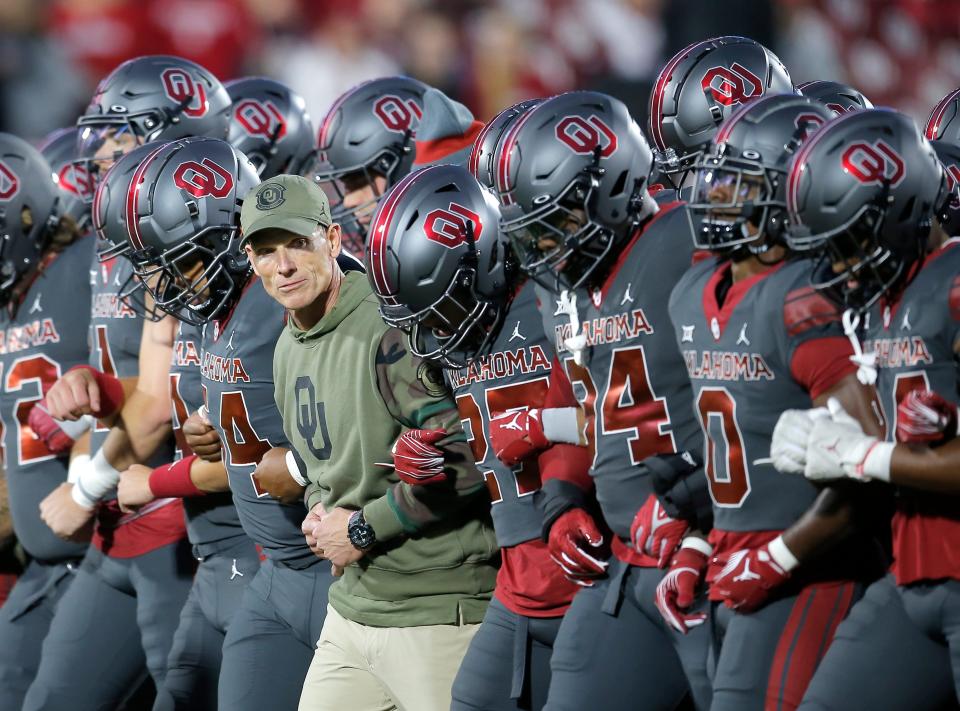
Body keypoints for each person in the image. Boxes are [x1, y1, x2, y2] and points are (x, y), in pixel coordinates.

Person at [489, 90, 714, 710]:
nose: (544, 245)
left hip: (713, 548)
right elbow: (578, 392)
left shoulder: (686, 238)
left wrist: (704, 503)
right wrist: (562, 500)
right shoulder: (561, 280)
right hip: (623, 558)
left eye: (557, 220)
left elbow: (754, 384)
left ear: (611, 187)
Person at [240, 173, 497, 710]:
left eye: (297, 245)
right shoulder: (288, 343)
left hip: (435, 607)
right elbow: (318, 463)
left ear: (333, 241)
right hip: (353, 606)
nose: (282, 266)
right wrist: (318, 511)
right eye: (266, 252)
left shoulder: (388, 326)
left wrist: (360, 526)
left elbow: (466, 459)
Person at [667, 98, 892, 710]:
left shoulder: (805, 298)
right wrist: (699, 542)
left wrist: (780, 555)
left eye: (737, 182)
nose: (715, 196)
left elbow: (868, 462)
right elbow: (731, 447)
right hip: (733, 561)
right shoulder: (694, 293)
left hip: (812, 564)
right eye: (717, 178)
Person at [124, 136, 360, 710]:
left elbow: (375, 407)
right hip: (278, 570)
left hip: (343, 566)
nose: (166, 281)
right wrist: (219, 427)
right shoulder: (218, 304)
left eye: (178, 259)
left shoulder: (306, 290)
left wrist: (300, 463)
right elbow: (261, 398)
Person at [366, 162, 587, 710]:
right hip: (517, 579)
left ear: (482, 262)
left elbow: (620, 415)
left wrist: (537, 426)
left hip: (585, 558)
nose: (433, 331)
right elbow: (474, 441)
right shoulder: (451, 334)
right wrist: (421, 450)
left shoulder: (550, 298)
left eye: (443, 306)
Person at [769, 109, 960, 710]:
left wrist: (866, 455)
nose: (840, 267)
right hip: (913, 575)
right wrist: (833, 435)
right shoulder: (884, 297)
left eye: (848, 241)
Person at [0, 133, 95, 709]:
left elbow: (140, 389)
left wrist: (88, 471)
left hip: (107, 542)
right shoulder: (11, 302)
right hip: (43, 558)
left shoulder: (87, 269)